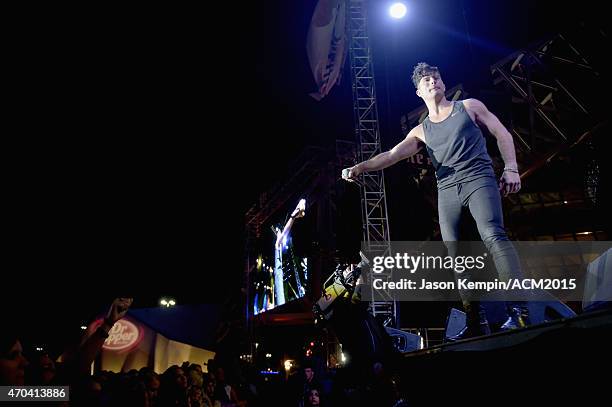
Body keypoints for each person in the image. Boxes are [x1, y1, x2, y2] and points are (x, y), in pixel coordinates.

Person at [342, 62, 530, 340]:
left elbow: (501, 132)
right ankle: (475, 320)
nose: (433, 82)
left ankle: (520, 311)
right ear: (419, 92)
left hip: (478, 178)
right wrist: (361, 167)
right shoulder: (421, 131)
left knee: (492, 235)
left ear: (443, 83)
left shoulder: (469, 106)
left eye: (436, 77)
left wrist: (511, 167)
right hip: (447, 189)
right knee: (455, 255)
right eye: (426, 80)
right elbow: (392, 155)